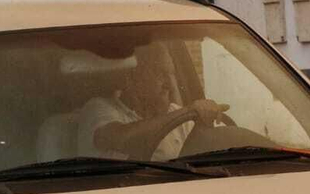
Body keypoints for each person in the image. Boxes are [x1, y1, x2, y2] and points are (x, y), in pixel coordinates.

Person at [76, 47, 228, 161]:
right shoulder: (99, 108)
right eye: (160, 74)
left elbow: (226, 145)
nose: (170, 84)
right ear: (131, 76)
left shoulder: (178, 113)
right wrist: (189, 111)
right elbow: (119, 139)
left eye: (171, 74)